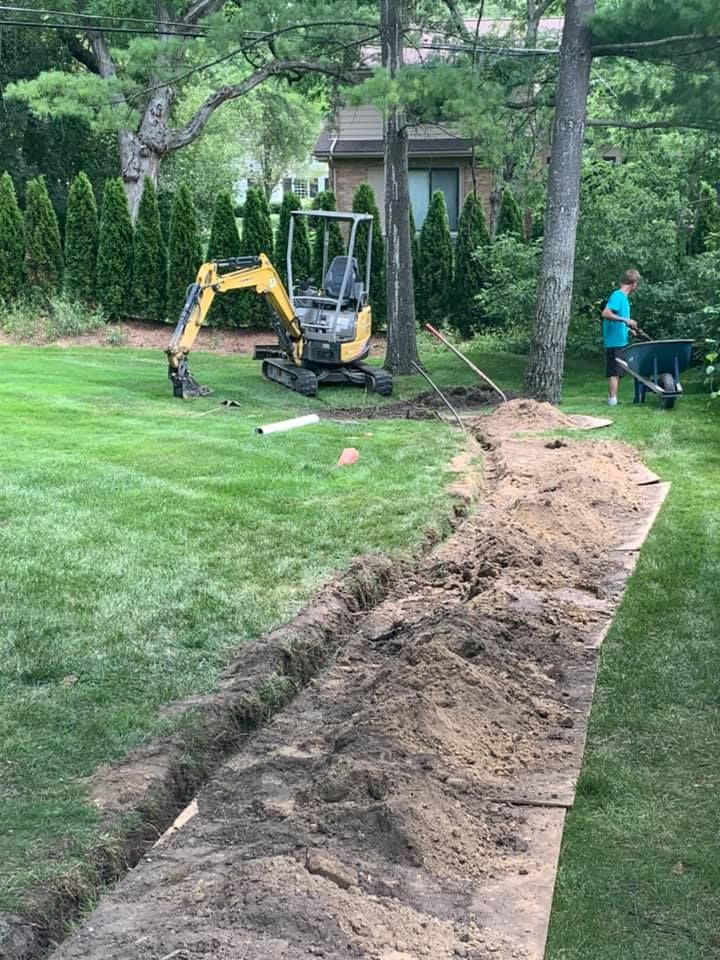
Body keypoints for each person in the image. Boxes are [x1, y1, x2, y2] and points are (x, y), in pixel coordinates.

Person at [601, 268, 641, 406]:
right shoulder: (618, 296)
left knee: (618, 371)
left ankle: (612, 398)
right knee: (615, 371)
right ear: (633, 283)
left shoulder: (623, 298)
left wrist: (628, 330)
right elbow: (606, 313)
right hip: (614, 342)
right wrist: (625, 320)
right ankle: (612, 401)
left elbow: (617, 318)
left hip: (620, 339)